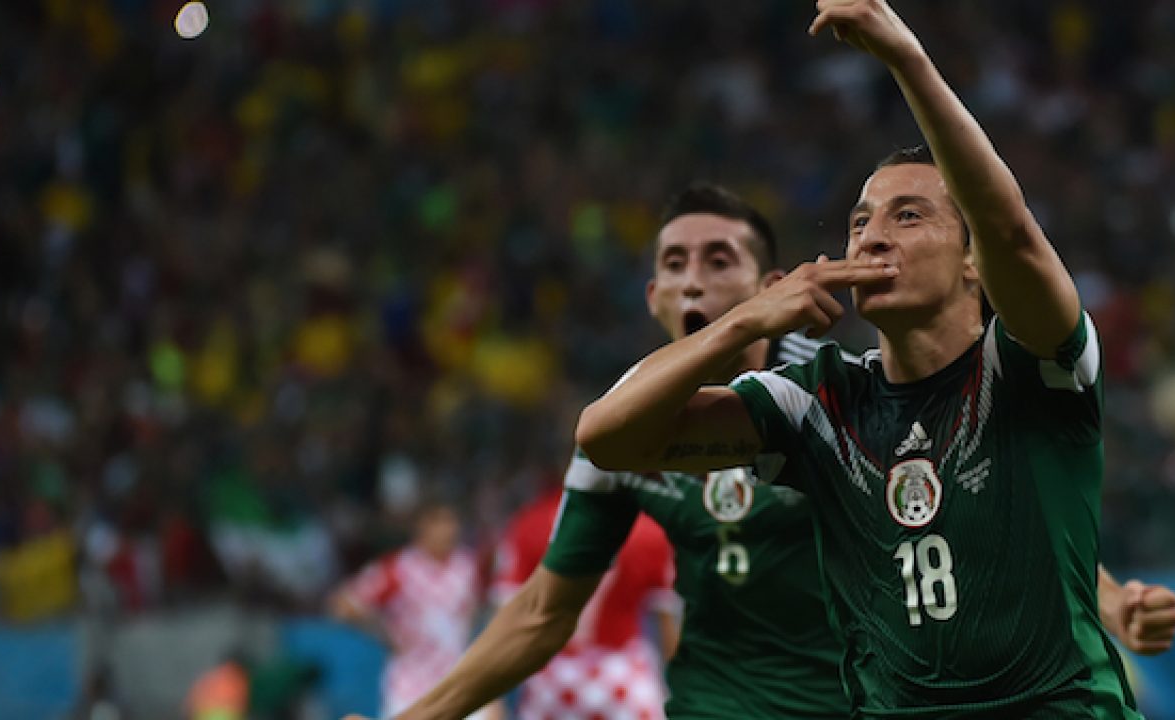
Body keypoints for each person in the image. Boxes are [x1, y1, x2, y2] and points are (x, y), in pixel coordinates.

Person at [576, 1, 1175, 716]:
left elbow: (1012, 233)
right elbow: (607, 436)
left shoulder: (1034, 365)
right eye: (860, 222)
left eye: (909, 216)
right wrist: (745, 320)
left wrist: (906, 59)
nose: (871, 238)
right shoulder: (817, 401)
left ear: (973, 262)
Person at [387, 185, 854, 719]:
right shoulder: (625, 423)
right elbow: (543, 612)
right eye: (674, 264)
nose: (693, 281)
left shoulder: (836, 392)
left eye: (719, 261)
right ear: (653, 297)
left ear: (771, 289)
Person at [489, 480, 678, 719]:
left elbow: (505, 621)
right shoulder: (647, 530)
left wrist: (491, 697)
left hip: (554, 677)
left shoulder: (531, 522)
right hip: (621, 675)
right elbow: (668, 626)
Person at [329, 500, 495, 720]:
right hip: (410, 685)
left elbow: (486, 605)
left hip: (457, 680)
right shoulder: (398, 568)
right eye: (438, 522)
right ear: (421, 526)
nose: (447, 529)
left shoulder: (468, 566)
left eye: (451, 521)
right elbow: (343, 604)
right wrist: (383, 632)